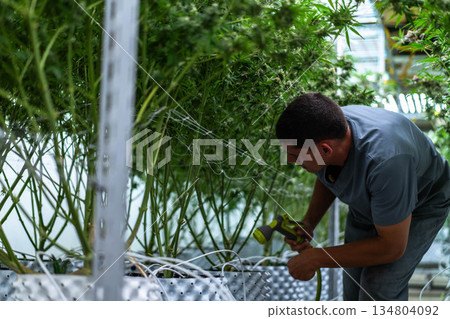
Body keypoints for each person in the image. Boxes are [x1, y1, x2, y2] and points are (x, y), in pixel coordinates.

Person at [275, 92, 450, 301]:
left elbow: (391, 247)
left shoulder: (386, 162)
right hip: (374, 196)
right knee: (353, 284)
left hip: (423, 201)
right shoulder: (328, 129)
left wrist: (316, 258)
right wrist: (309, 222)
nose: (289, 160)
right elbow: (326, 174)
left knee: (378, 286)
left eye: (295, 156)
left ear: (324, 149)